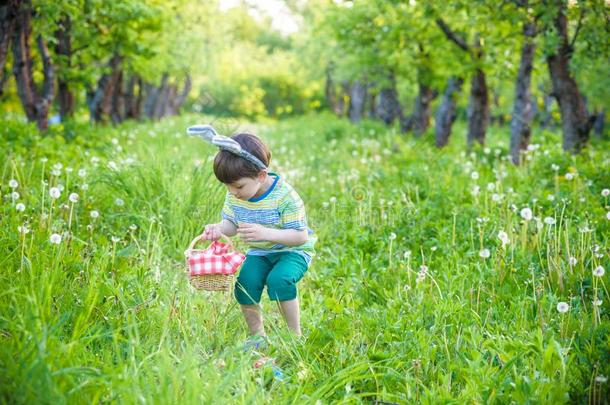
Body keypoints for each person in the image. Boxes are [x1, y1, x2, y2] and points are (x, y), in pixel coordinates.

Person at [200, 131, 316, 339]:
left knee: (279, 280)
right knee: (246, 283)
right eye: (227, 186)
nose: (233, 192)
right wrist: (219, 229)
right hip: (261, 252)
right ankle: (257, 337)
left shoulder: (285, 197)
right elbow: (232, 225)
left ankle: (294, 336)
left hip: (293, 251)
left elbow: (300, 237)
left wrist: (265, 233)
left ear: (261, 175)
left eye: (238, 186)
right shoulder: (236, 196)